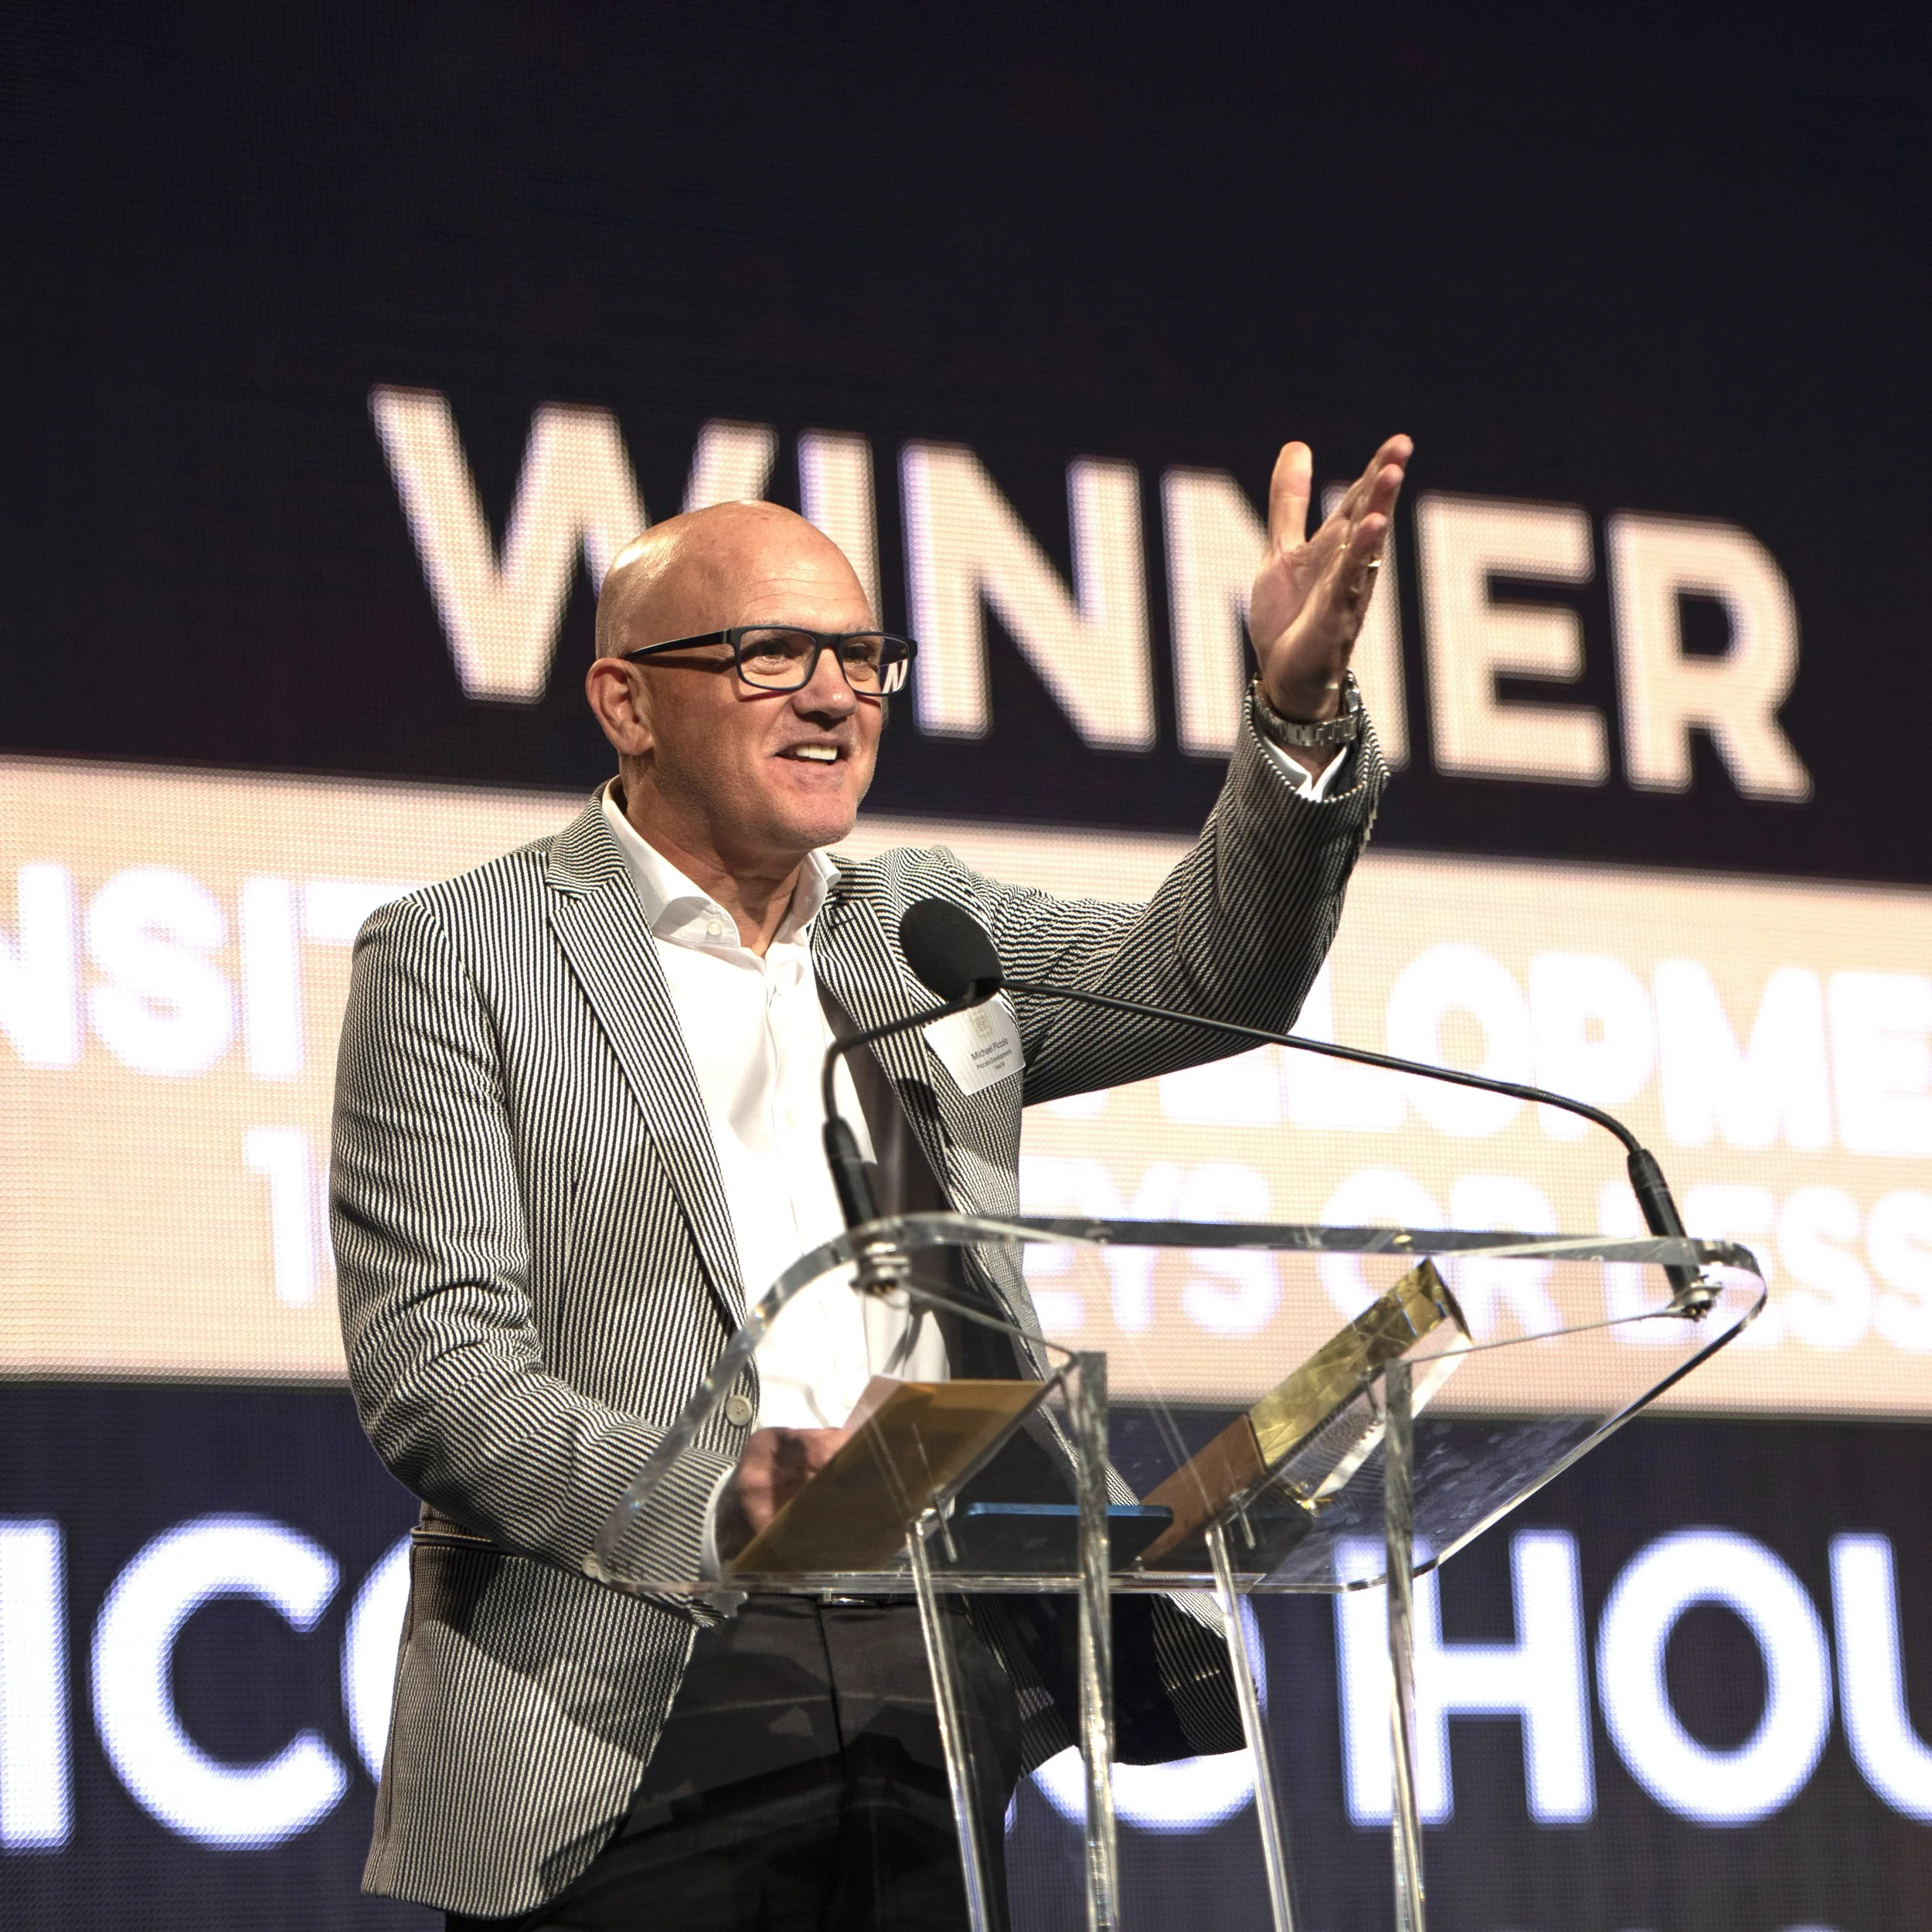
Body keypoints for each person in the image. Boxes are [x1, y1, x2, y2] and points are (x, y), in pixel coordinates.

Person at [332, 434, 1410, 1929]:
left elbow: (1211, 975)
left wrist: (1294, 717)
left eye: (860, 655)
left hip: (937, 1685)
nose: (837, 693)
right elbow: (433, 1363)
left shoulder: (922, 927)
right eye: (772, 654)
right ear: (625, 701)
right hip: (629, 1696)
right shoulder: (460, 952)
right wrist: (721, 1497)